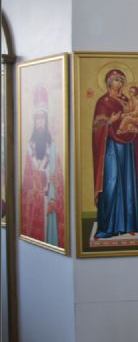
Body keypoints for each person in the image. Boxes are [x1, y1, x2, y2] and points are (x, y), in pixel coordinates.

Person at [92, 69, 138, 239]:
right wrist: (110, 121)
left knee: (128, 183)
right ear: (109, 82)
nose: (120, 84)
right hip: (110, 147)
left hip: (127, 146)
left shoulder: (127, 100)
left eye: (121, 80)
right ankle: (107, 227)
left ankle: (128, 224)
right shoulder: (103, 102)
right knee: (111, 182)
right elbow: (96, 126)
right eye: (117, 80)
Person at [21, 85, 65, 248]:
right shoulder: (29, 148)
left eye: (42, 118)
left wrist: (54, 199)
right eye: (37, 118)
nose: (40, 122)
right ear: (34, 121)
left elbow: (58, 177)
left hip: (49, 199)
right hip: (35, 203)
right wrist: (34, 187)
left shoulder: (53, 147)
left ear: (46, 121)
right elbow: (26, 182)